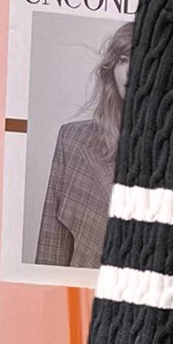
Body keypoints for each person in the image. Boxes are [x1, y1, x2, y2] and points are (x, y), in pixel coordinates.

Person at [34, 22, 134, 268]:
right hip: (83, 288)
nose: (132, 70)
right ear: (111, 70)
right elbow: (52, 245)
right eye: (123, 59)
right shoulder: (74, 140)